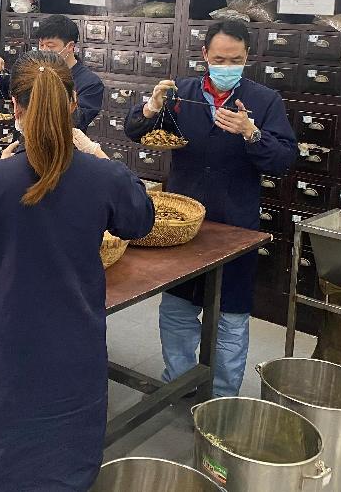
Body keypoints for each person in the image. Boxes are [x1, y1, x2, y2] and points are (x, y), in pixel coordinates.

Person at [0, 50, 155, 491]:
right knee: (66, 447)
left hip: (5, 337)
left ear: (15, 107)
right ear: (74, 102)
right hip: (72, 333)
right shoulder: (104, 177)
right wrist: (100, 155)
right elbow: (139, 220)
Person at [124, 20, 297, 397]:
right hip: (183, 222)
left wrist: (251, 133)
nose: (226, 66)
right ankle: (179, 383)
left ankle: (222, 398)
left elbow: (284, 159)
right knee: (177, 310)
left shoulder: (265, 100)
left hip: (236, 225)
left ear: (247, 56)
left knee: (230, 318)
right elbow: (134, 131)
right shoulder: (181, 93)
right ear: (204, 55)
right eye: (219, 59)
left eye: (235, 60)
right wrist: (151, 107)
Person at [0, 14, 104, 131]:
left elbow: (77, 121)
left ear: (70, 46)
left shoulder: (90, 83)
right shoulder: (32, 70)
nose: (44, 51)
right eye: (41, 45)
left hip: (62, 145)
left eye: (50, 46)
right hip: (26, 141)